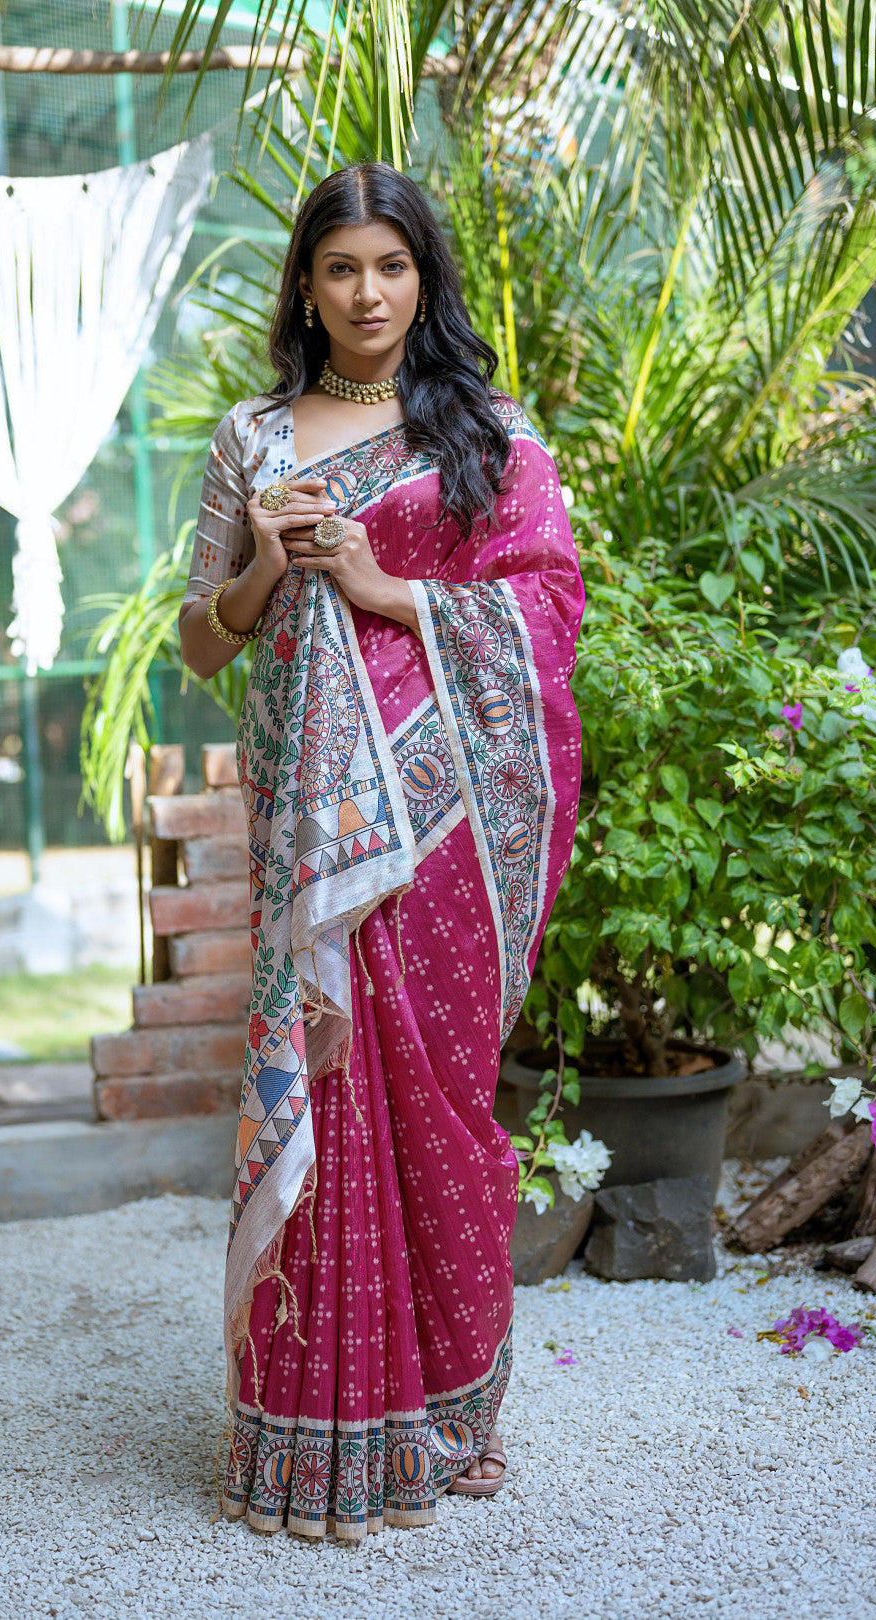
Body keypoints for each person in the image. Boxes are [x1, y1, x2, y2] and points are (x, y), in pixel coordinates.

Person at [179, 161, 583, 1541]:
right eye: (341, 267)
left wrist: (382, 583)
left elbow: (549, 612)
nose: (366, 292)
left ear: (425, 279)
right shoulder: (251, 439)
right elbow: (200, 639)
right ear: (307, 282)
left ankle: (456, 1415)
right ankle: (316, 1435)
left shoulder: (485, 432)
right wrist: (271, 566)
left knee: (441, 1101)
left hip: (448, 828)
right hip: (314, 825)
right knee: (334, 1092)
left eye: (391, 266)